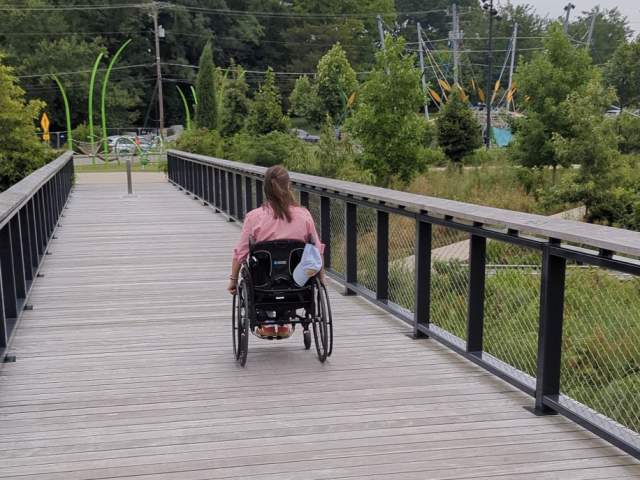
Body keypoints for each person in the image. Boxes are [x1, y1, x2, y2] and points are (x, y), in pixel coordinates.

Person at [228, 165, 325, 338]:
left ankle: (266, 319)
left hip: (263, 285)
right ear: (289, 186)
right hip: (297, 284)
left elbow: (240, 253)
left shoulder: (254, 217)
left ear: (266, 189)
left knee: (258, 266)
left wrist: (233, 280)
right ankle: (285, 317)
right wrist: (321, 279)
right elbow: (316, 251)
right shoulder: (304, 215)